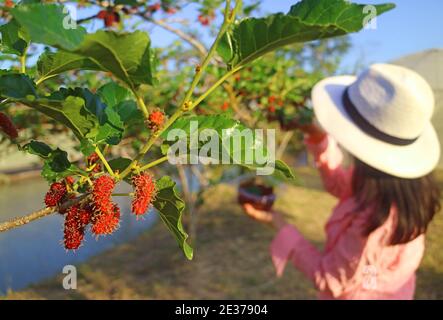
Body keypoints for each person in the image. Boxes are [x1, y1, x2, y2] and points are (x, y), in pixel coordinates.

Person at [242, 63, 441, 299]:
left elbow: (330, 279)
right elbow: (341, 186)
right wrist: (317, 138)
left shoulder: (376, 223)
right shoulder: (398, 187)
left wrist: (277, 222)